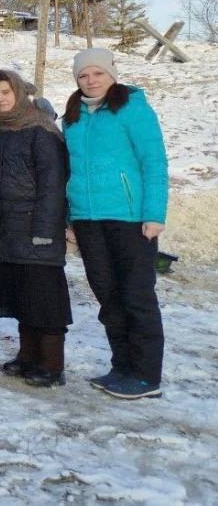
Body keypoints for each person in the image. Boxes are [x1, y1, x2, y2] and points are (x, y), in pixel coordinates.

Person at [64, 48, 168, 400]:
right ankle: (122, 366)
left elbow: (154, 162)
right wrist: (71, 218)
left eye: (98, 74)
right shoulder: (73, 116)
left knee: (137, 296)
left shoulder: (133, 109)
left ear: (112, 75)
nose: (91, 80)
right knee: (108, 296)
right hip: (89, 221)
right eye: (84, 75)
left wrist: (155, 214)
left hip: (131, 219)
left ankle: (146, 375)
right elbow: (71, 171)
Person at [0, 69, 72, 388]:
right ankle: (27, 355)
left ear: (20, 93)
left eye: (6, 92)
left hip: (37, 228)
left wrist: (46, 231)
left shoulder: (42, 131)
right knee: (23, 295)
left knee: (46, 299)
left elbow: (53, 185)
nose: (0, 99)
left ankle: (51, 364)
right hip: (8, 229)